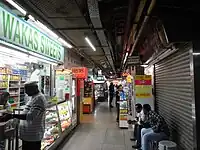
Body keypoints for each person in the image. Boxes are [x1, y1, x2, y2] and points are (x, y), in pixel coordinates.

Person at [2, 81, 46, 150]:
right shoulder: (34, 97)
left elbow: (30, 116)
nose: (25, 92)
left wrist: (12, 116)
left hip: (33, 137)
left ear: (33, 89)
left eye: (26, 90)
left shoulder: (39, 99)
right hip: (28, 136)